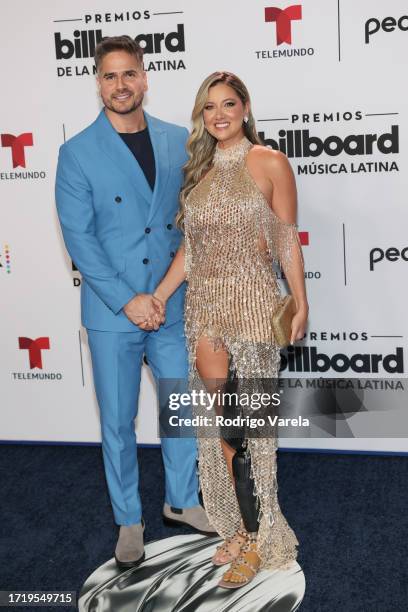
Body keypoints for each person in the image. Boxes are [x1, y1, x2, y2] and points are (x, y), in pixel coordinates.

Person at [55, 36, 215, 570]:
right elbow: (80, 240)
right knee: (118, 423)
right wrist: (128, 301)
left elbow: (190, 223)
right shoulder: (77, 152)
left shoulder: (178, 141)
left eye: (129, 74)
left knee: (180, 408)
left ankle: (183, 500)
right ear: (97, 83)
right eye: (109, 76)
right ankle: (128, 519)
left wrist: (160, 296)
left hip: (170, 304)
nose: (120, 85)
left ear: (146, 78)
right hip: (112, 310)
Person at [152, 71, 308, 588]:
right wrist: (160, 295)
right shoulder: (197, 174)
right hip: (205, 309)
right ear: (202, 115)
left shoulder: (269, 162)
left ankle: (265, 538)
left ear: (245, 107)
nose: (219, 115)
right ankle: (237, 530)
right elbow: (190, 252)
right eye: (209, 107)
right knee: (218, 430)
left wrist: (300, 301)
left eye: (228, 104)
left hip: (254, 305)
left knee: (253, 430)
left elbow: (287, 239)